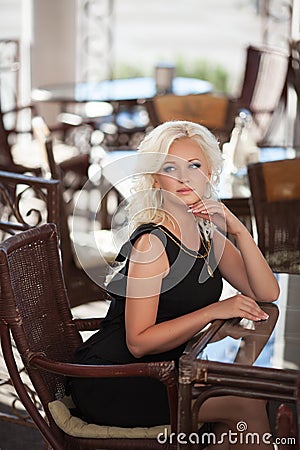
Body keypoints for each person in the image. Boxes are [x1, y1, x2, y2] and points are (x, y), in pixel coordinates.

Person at [68, 120, 279, 449]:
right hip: (116, 378)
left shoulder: (207, 232)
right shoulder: (152, 244)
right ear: (155, 178)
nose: (184, 177)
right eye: (170, 167)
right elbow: (138, 342)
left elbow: (268, 293)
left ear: (209, 173)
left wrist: (236, 228)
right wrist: (213, 312)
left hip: (166, 368)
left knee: (243, 401)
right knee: (245, 403)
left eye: (194, 165)